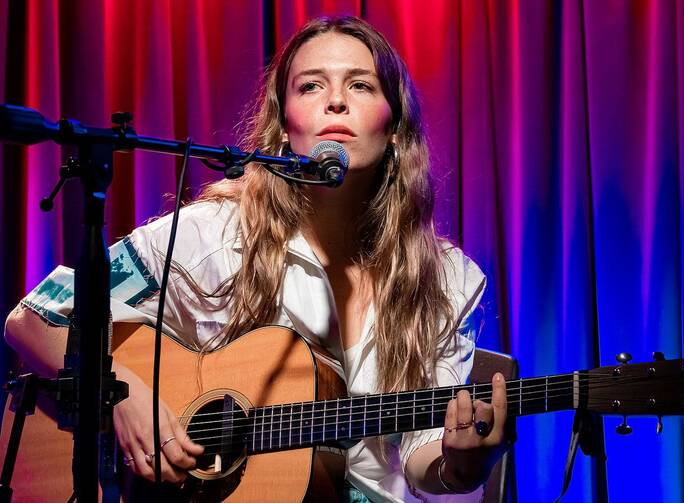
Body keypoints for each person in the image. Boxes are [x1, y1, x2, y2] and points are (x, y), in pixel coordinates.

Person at [4, 16, 507, 502]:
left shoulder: (446, 280)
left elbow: (422, 459)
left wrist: (460, 466)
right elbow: (33, 318)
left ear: (395, 126)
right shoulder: (215, 236)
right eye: (310, 86)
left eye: (361, 85)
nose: (335, 101)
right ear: (284, 127)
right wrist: (122, 393)